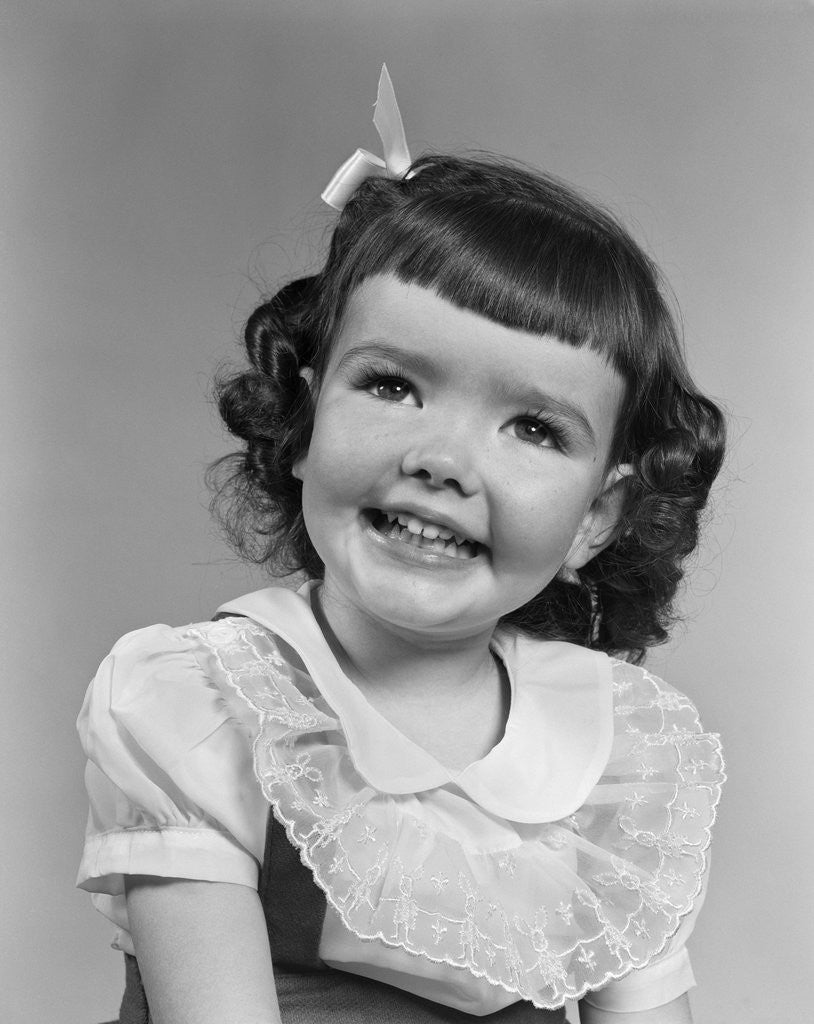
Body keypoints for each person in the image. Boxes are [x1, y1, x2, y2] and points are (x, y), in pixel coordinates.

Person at [77, 69, 725, 1024]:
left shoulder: (616, 756)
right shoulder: (204, 707)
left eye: (534, 429)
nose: (442, 460)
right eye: (392, 386)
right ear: (304, 420)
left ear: (597, 516)